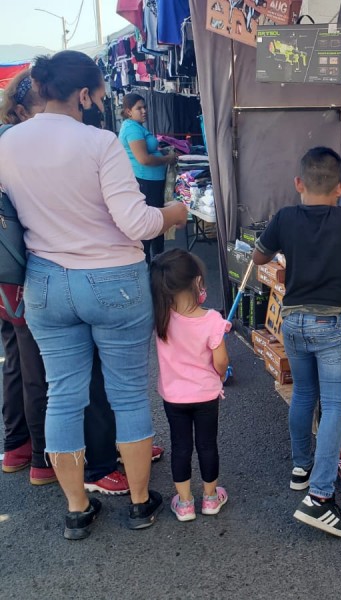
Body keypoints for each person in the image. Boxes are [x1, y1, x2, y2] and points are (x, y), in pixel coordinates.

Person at [0, 50, 188, 540]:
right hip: (113, 282)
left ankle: (77, 508)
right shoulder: (100, 142)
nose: (100, 103)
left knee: (64, 394)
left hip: (44, 282)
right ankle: (141, 504)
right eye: (99, 94)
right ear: (83, 94)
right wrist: (174, 213)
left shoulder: (8, 143)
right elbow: (137, 222)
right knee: (126, 393)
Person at [253, 147, 341, 538]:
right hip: (331, 324)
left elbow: (259, 254)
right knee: (335, 406)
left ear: (298, 183)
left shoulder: (285, 217)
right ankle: (320, 498)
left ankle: (302, 468)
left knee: (303, 393)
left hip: (294, 321)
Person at [150, 249, 230, 522]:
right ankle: (210, 498)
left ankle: (184, 503)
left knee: (180, 446)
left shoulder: (161, 318)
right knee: (207, 445)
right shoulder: (212, 321)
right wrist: (220, 375)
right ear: (197, 282)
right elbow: (221, 362)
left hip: (174, 397)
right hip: (206, 394)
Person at [118, 92, 177, 264]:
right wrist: (167, 159)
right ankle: (148, 269)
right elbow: (144, 159)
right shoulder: (131, 129)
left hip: (152, 182)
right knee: (151, 227)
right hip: (146, 183)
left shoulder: (137, 127)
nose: (144, 111)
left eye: (145, 107)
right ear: (128, 111)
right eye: (139, 108)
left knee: (157, 226)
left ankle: (157, 266)